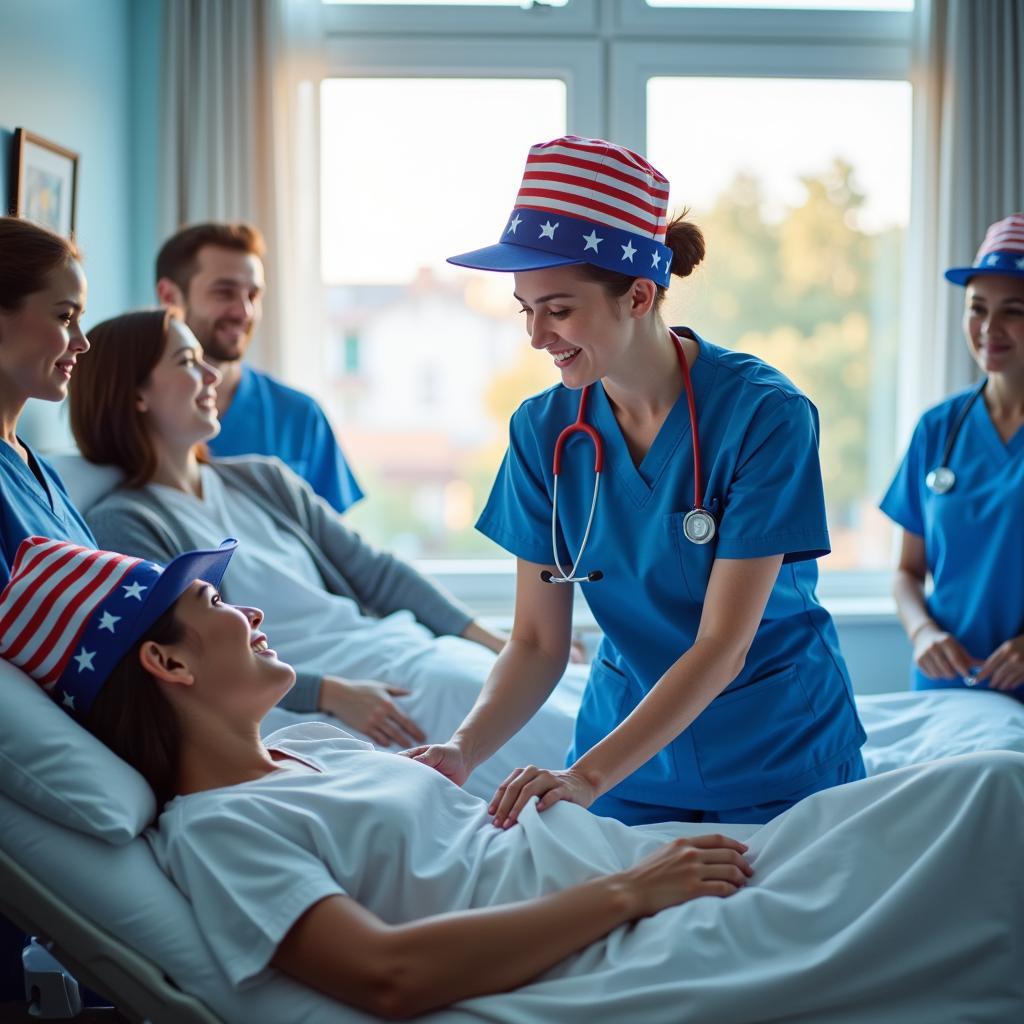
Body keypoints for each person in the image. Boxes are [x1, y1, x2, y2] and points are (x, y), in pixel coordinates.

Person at [2, 537, 1021, 1021]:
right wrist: (627, 890)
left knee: (986, 790)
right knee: (989, 805)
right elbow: (385, 975)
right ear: (167, 664)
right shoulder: (217, 831)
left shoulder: (314, 753)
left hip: (634, 867)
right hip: (626, 924)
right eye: (217, 605)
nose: (250, 613)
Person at [409, 135, 866, 828]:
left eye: (558, 309)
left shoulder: (764, 416)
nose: (536, 335)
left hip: (776, 756)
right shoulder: (544, 432)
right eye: (524, 308)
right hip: (623, 760)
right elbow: (535, 643)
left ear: (639, 294)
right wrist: (463, 749)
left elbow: (722, 644)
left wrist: (586, 775)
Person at [67, 309, 583, 798]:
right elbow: (198, 662)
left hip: (392, 647)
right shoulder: (127, 523)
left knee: (540, 682)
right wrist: (329, 693)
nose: (210, 375)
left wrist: (501, 643)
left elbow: (376, 574)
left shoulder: (260, 479)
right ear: (134, 393)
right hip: (330, 692)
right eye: (186, 362)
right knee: (477, 696)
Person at [881, 213, 1024, 698]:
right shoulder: (938, 428)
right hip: (946, 688)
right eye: (977, 308)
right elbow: (907, 572)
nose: (990, 328)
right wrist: (923, 632)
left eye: (1013, 310)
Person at [154, 222, 363, 513]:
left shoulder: (300, 417)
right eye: (224, 292)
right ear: (169, 296)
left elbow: (335, 546)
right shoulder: (138, 412)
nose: (245, 312)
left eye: (253, 295)